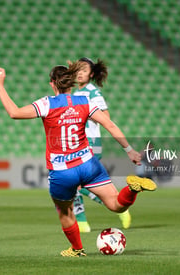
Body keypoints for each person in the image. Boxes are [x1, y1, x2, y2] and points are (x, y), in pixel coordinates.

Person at [0, 62, 156, 257]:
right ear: (71, 82)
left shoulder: (46, 103)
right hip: (88, 163)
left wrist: (0, 85)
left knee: (65, 211)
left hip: (62, 170)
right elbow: (110, 125)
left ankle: (77, 249)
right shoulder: (84, 101)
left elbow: (14, 113)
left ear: (52, 83)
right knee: (115, 204)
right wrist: (129, 150)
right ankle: (131, 189)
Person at [72, 57, 131, 233]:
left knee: (75, 184)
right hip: (78, 143)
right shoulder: (76, 94)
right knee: (76, 185)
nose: (80, 73)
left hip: (89, 142)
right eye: (78, 69)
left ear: (91, 74)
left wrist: (88, 116)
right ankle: (117, 206)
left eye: (84, 70)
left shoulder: (92, 92)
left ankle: (84, 221)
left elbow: (105, 116)